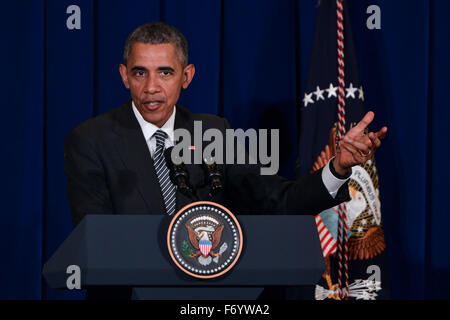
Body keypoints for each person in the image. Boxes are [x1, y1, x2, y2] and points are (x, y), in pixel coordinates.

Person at [64, 22, 387, 299]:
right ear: (124, 76)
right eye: (140, 73)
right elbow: (98, 238)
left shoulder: (213, 133)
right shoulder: (90, 139)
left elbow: (278, 200)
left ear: (186, 76)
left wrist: (339, 167)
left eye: (165, 72)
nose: (151, 88)